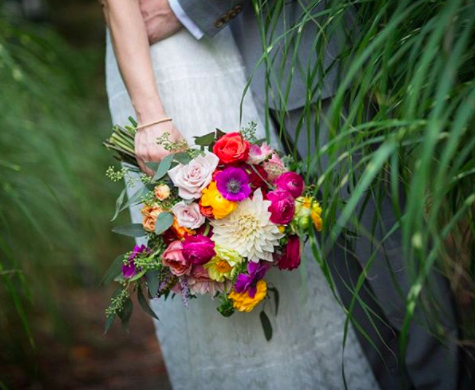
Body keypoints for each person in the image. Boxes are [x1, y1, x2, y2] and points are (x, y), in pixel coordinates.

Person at [132, 1, 470, 390]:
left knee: (381, 241)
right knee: (338, 263)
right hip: (240, 76)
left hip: (308, 54)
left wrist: (186, 9)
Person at [102, 0, 381, 389]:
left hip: (216, 46)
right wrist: (152, 117)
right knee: (195, 217)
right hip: (158, 63)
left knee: (254, 201)